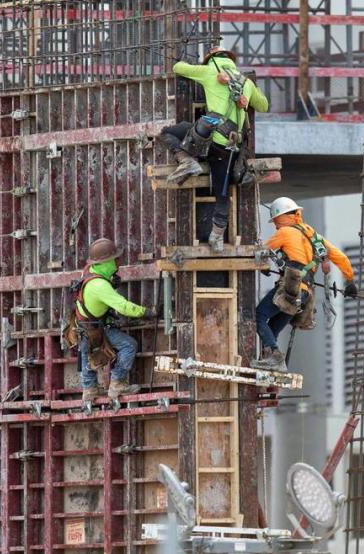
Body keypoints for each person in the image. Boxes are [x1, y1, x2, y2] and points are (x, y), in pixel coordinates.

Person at [158, 47, 269, 253]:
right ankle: (216, 238)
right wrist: (250, 94)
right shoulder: (246, 82)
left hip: (209, 140)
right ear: (231, 60)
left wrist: (183, 57)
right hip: (230, 148)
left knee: (168, 133)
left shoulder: (209, 71)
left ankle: (187, 160)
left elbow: (177, 67)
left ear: (211, 59)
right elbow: (263, 105)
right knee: (222, 193)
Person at [253, 197, 357, 372]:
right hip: (305, 295)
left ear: (280, 217)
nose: (276, 226)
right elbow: (341, 257)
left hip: (290, 288)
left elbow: (260, 251)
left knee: (259, 316)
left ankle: (276, 358)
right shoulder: (313, 236)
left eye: (276, 221)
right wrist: (350, 280)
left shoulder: (285, 232)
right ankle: (271, 360)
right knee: (271, 327)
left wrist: (262, 265)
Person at [72, 238, 154, 400]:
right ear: (107, 262)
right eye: (115, 259)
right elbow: (123, 307)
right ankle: (117, 384)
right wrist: (147, 312)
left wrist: (110, 281)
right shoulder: (100, 286)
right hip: (94, 329)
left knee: (85, 351)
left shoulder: (89, 272)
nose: (118, 262)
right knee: (129, 345)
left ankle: (89, 389)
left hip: (83, 326)